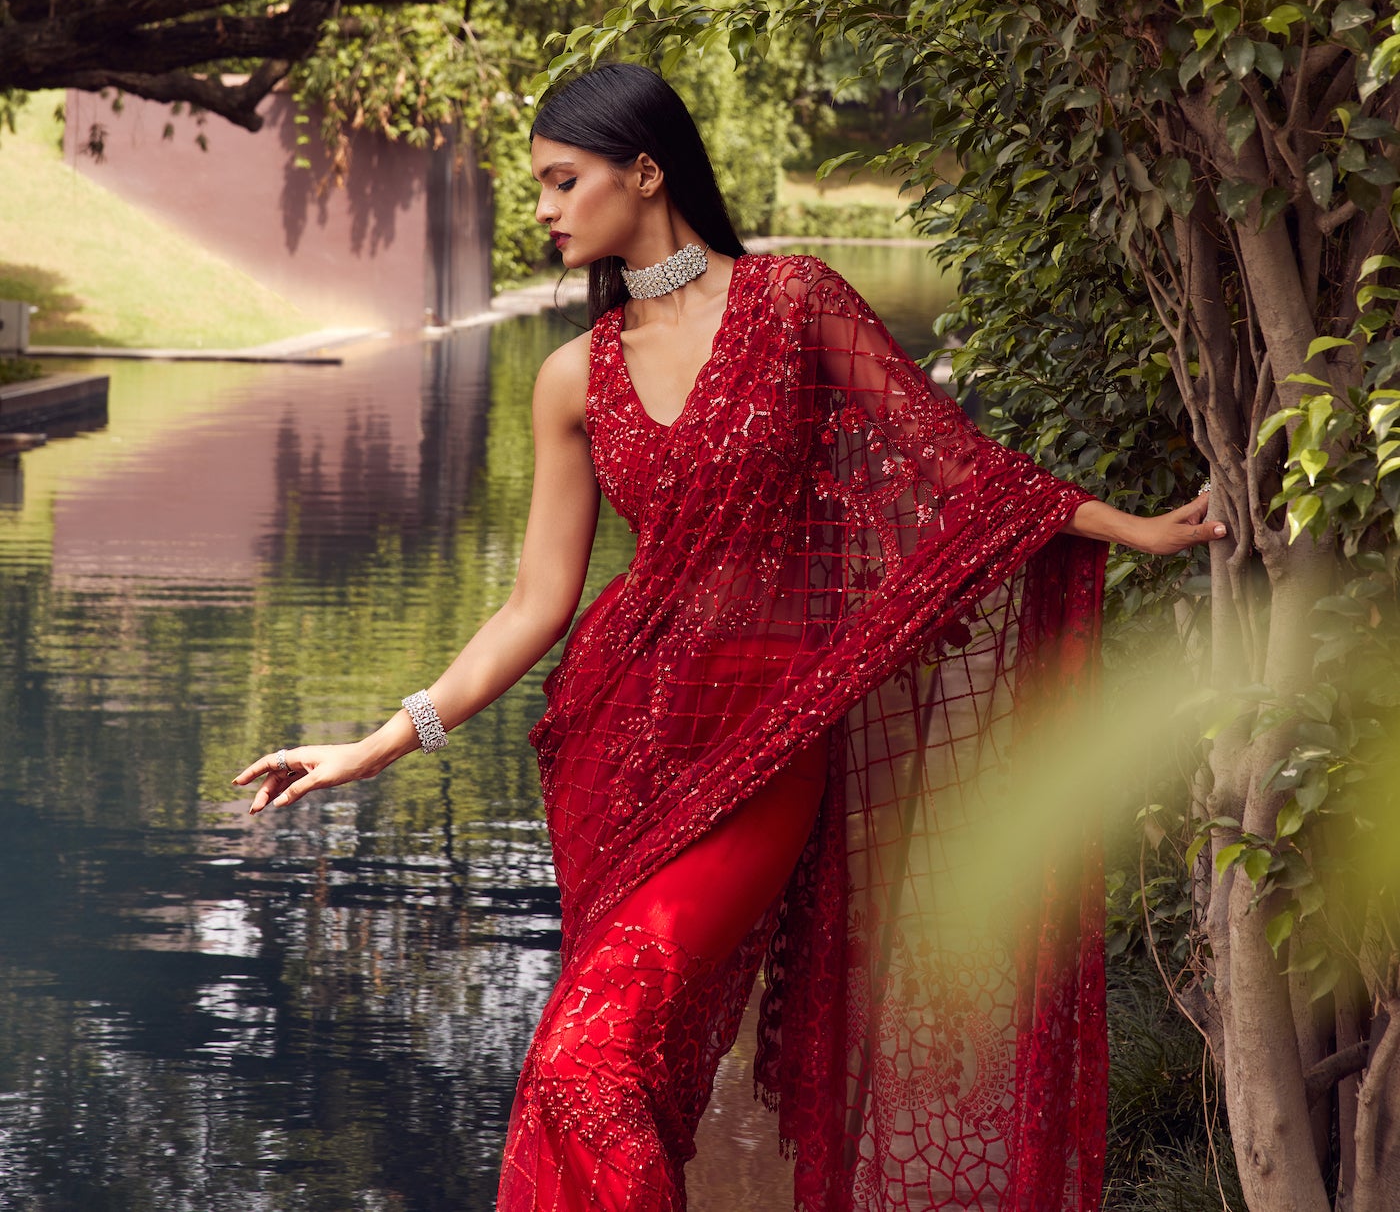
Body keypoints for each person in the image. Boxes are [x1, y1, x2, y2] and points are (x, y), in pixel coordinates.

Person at [235, 63, 1223, 1212]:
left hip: (759, 748)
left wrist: (1132, 529)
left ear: (644, 169)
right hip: (615, 746)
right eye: (538, 186)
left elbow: (949, 467)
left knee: (582, 1059)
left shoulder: (792, 300)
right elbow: (532, 605)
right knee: (604, 1064)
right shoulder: (573, 374)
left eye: (563, 180)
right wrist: (371, 745)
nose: (544, 208)